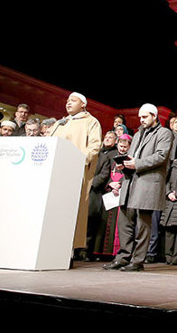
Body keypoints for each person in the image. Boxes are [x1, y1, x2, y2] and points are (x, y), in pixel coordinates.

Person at [103, 104, 172, 272]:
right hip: (130, 182)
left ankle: (138, 260)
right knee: (124, 220)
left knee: (143, 224)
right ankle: (123, 257)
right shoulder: (139, 133)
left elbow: (161, 156)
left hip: (147, 182)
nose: (141, 120)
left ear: (154, 116)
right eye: (140, 117)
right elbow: (132, 156)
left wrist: (136, 164)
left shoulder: (164, 133)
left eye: (145, 117)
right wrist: (124, 164)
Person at [50, 92, 103, 256]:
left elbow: (95, 146)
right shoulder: (60, 123)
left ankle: (68, 250)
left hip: (74, 172)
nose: (68, 103)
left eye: (73, 101)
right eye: (67, 101)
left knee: (71, 211)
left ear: (83, 104)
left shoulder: (91, 122)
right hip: (53, 172)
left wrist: (79, 159)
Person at [87, 131, 118, 259]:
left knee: (90, 221)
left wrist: (89, 183)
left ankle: (86, 251)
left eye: (110, 137)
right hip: (82, 190)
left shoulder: (105, 158)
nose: (107, 139)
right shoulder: (88, 155)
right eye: (105, 137)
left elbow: (104, 174)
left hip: (95, 191)